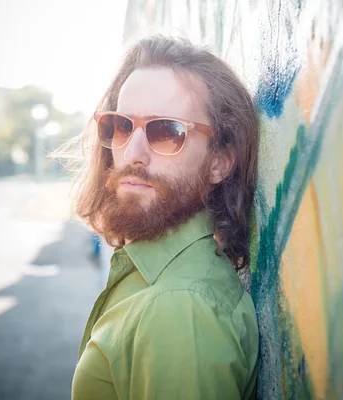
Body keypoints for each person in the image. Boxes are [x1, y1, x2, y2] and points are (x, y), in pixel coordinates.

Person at [70, 35, 259, 399]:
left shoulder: (178, 310)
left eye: (167, 131)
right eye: (121, 125)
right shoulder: (154, 278)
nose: (133, 153)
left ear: (219, 161)